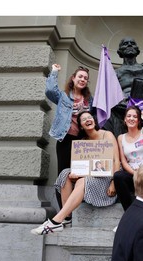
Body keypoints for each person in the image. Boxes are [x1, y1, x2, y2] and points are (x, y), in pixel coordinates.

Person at [31, 110, 120, 235]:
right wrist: (75, 174)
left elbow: (116, 160)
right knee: (65, 173)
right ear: (81, 126)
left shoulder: (107, 135)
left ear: (94, 120)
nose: (88, 120)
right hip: (90, 178)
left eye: (89, 117)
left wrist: (114, 182)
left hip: (106, 181)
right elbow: (83, 168)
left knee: (83, 181)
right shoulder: (82, 142)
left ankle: (56, 221)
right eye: (84, 120)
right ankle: (67, 218)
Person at [45, 64, 95, 218]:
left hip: (82, 141)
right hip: (65, 139)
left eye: (85, 78)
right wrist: (54, 72)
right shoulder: (63, 96)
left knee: (80, 175)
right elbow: (49, 90)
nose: (83, 80)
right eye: (80, 76)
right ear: (73, 78)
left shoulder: (89, 100)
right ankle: (64, 214)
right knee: (63, 175)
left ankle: (78, 211)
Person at [103, 37, 143, 137]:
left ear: (137, 49)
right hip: (122, 111)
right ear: (120, 51)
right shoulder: (115, 73)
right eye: (125, 43)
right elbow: (108, 96)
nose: (129, 45)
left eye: (132, 43)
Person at [114, 105, 143, 211]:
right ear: (125, 119)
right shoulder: (121, 138)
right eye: (128, 116)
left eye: (134, 116)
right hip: (133, 173)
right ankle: (129, 213)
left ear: (138, 120)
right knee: (118, 176)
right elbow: (123, 162)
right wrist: (135, 174)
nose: (131, 119)